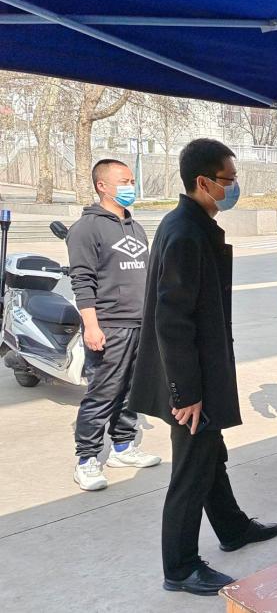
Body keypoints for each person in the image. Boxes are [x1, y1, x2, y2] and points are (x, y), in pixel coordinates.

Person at [131, 139, 277, 595]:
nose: (233, 188)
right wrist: (187, 393)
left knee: (210, 454)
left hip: (199, 370)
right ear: (203, 182)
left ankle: (232, 528)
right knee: (191, 469)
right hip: (188, 380)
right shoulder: (185, 232)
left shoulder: (191, 224)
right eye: (228, 180)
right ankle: (179, 567)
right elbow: (171, 320)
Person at [66, 159, 161, 491]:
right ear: (102, 186)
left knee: (132, 391)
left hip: (140, 324)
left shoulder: (135, 227)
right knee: (103, 393)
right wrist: (91, 325)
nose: (130, 186)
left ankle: (123, 447)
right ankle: (87, 459)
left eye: (132, 180)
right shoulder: (86, 229)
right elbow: (82, 280)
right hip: (109, 325)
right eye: (124, 181)